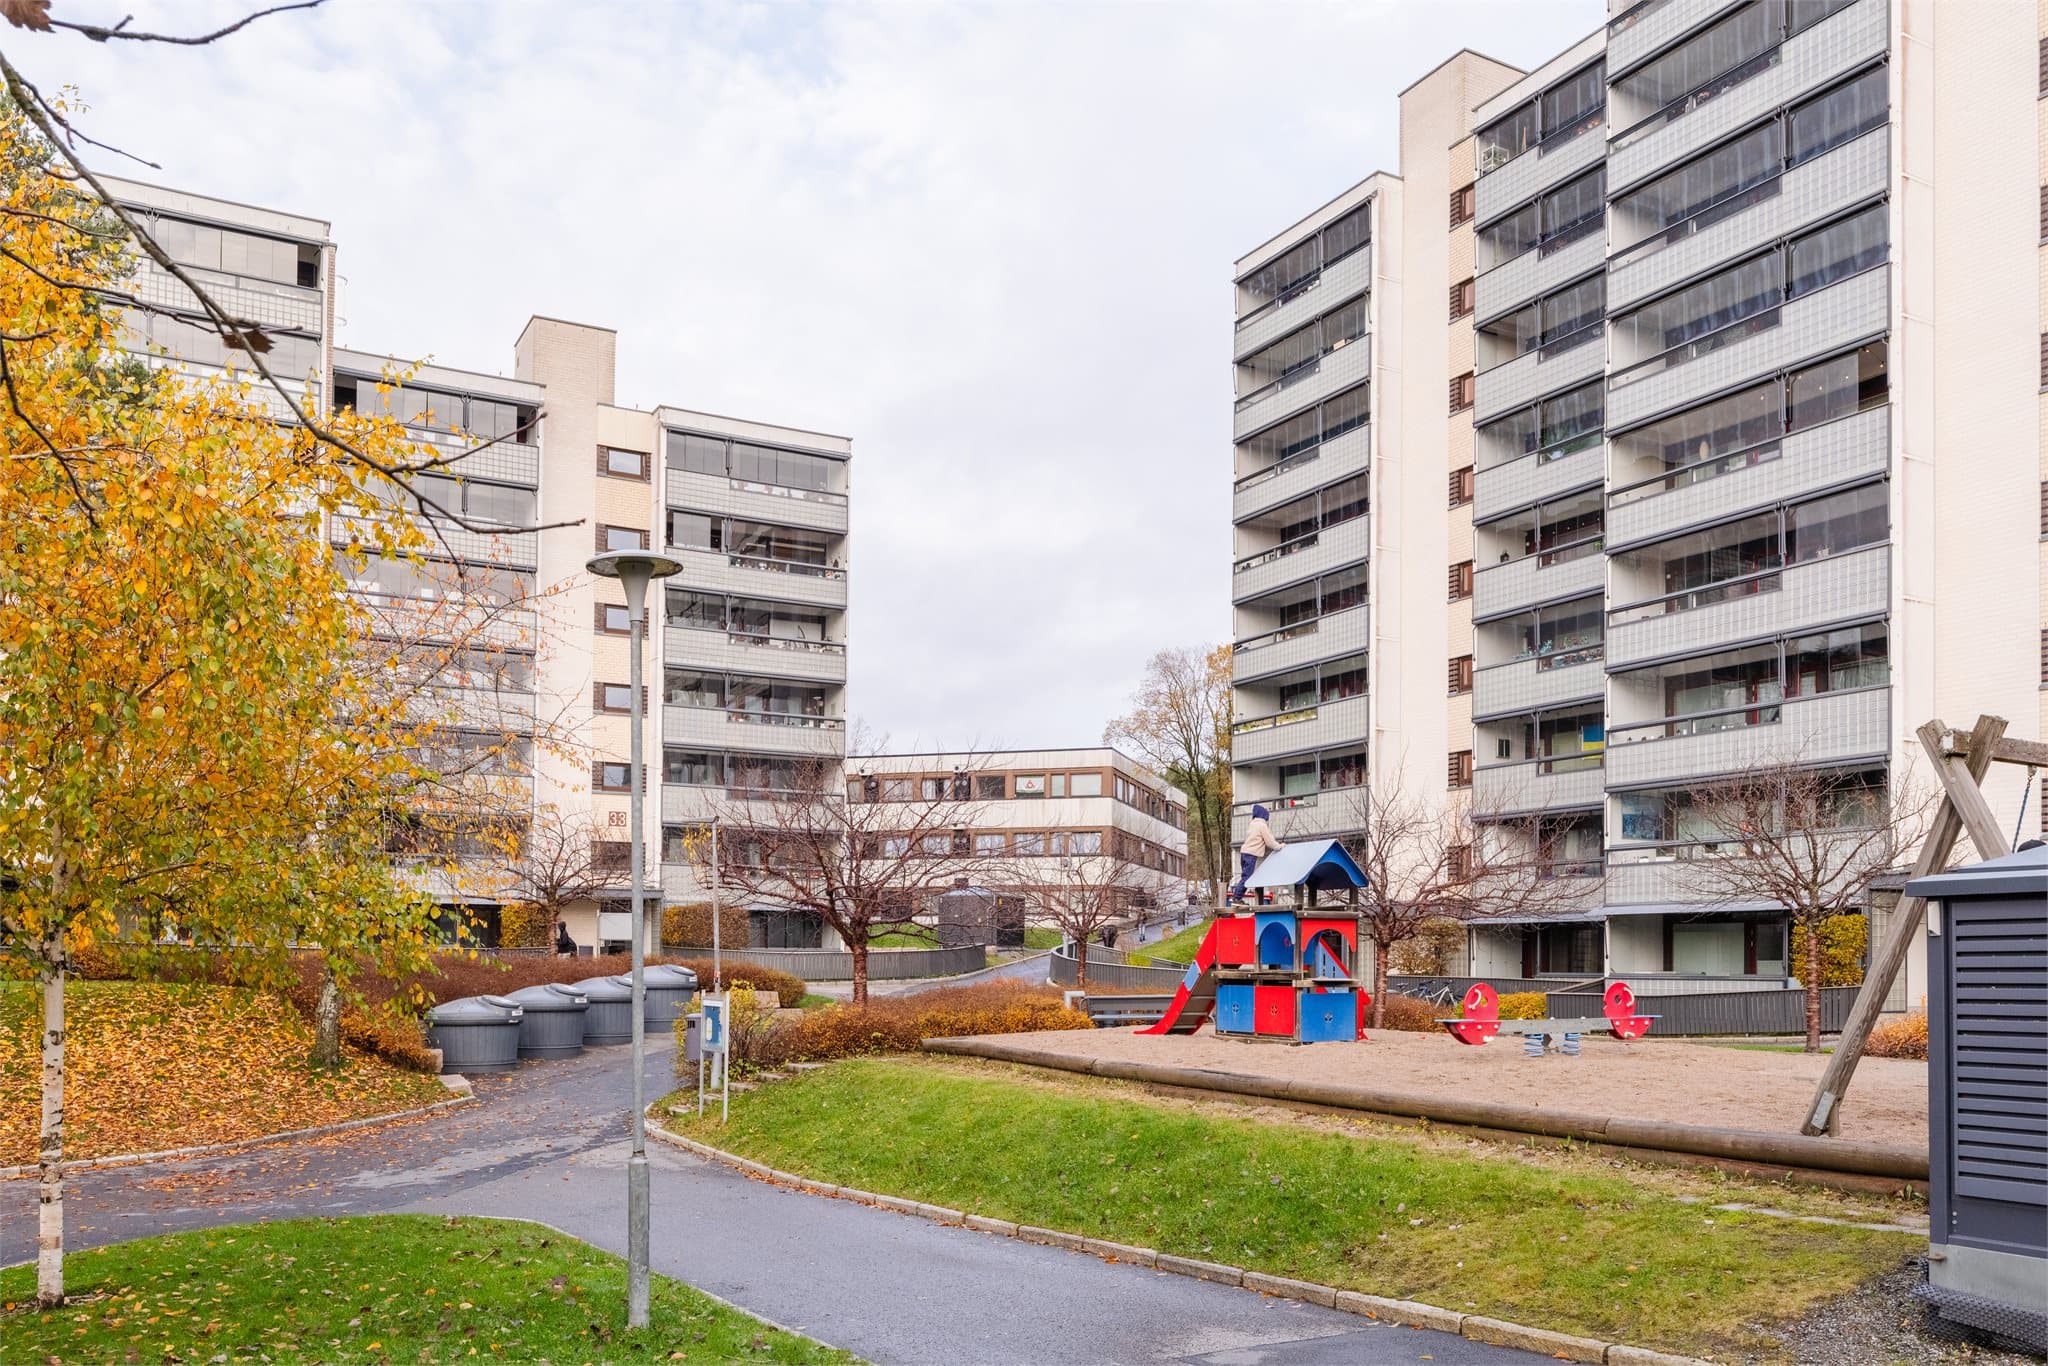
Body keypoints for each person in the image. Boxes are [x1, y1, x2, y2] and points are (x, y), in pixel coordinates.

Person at [1229, 804, 1284, 906]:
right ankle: (1237, 898)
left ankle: (1236, 897)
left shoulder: (1252, 824)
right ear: (1264, 816)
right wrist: (1279, 846)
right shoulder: (1262, 825)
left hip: (1244, 853)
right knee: (1247, 877)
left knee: (1245, 876)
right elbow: (1269, 841)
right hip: (1251, 854)